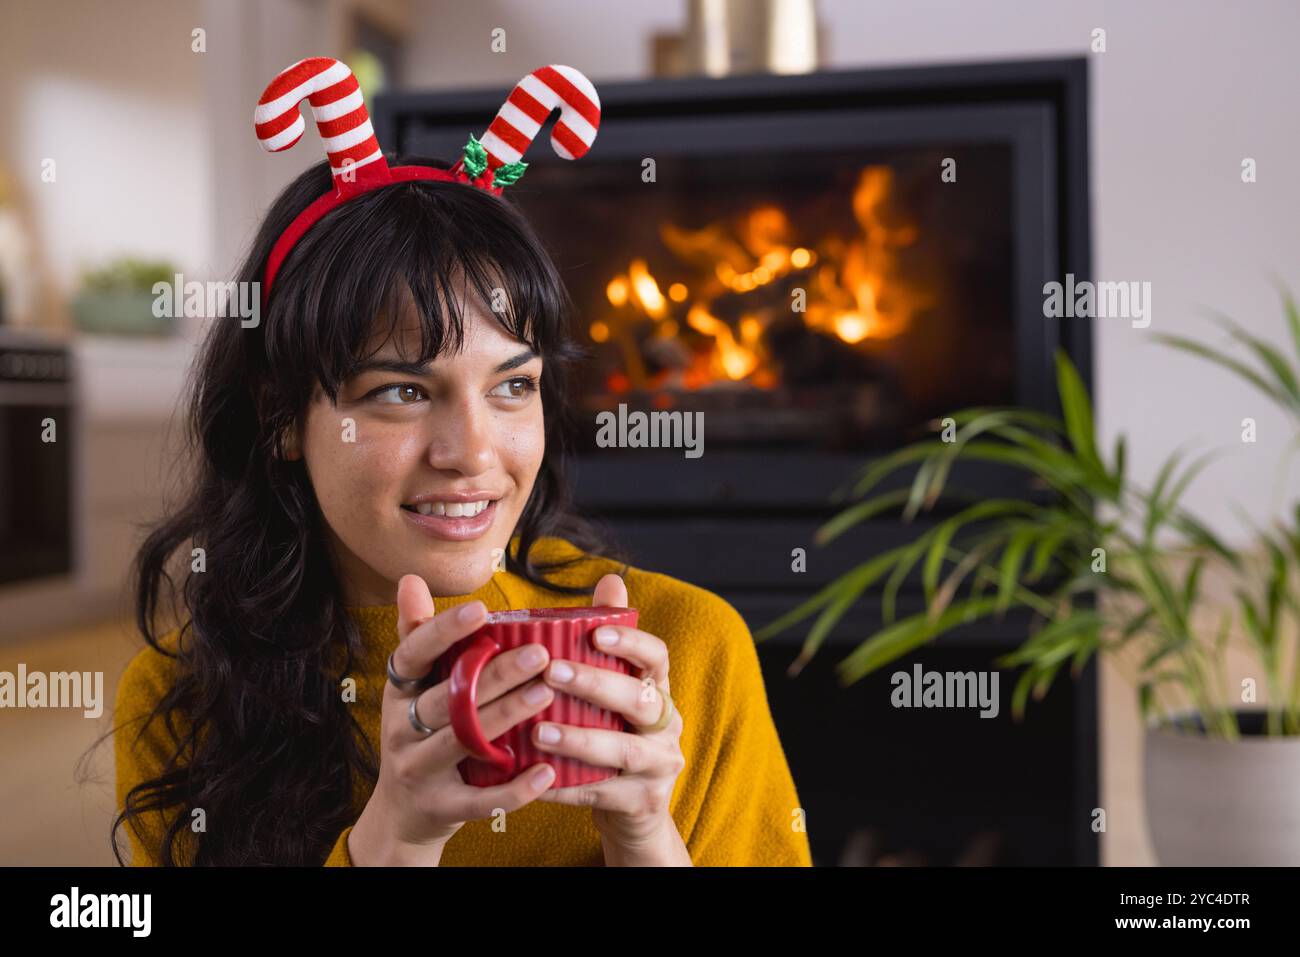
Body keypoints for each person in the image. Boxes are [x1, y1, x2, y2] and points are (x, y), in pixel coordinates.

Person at [110, 58, 811, 866]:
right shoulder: (182, 702)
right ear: (280, 417)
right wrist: (394, 838)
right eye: (403, 393)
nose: (474, 452)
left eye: (513, 384)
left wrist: (648, 837)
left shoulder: (688, 650)